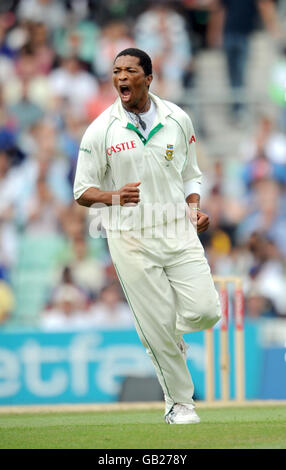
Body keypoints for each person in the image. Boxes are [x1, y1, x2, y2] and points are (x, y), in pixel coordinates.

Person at [73, 48, 221, 425]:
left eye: (130, 71)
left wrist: (193, 206)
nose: (121, 77)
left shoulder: (177, 118)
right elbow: (81, 191)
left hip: (176, 229)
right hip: (130, 238)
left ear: (148, 78)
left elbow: (190, 173)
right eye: (116, 71)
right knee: (156, 328)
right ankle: (179, 405)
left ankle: (164, 335)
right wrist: (112, 196)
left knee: (206, 312)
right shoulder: (101, 129)